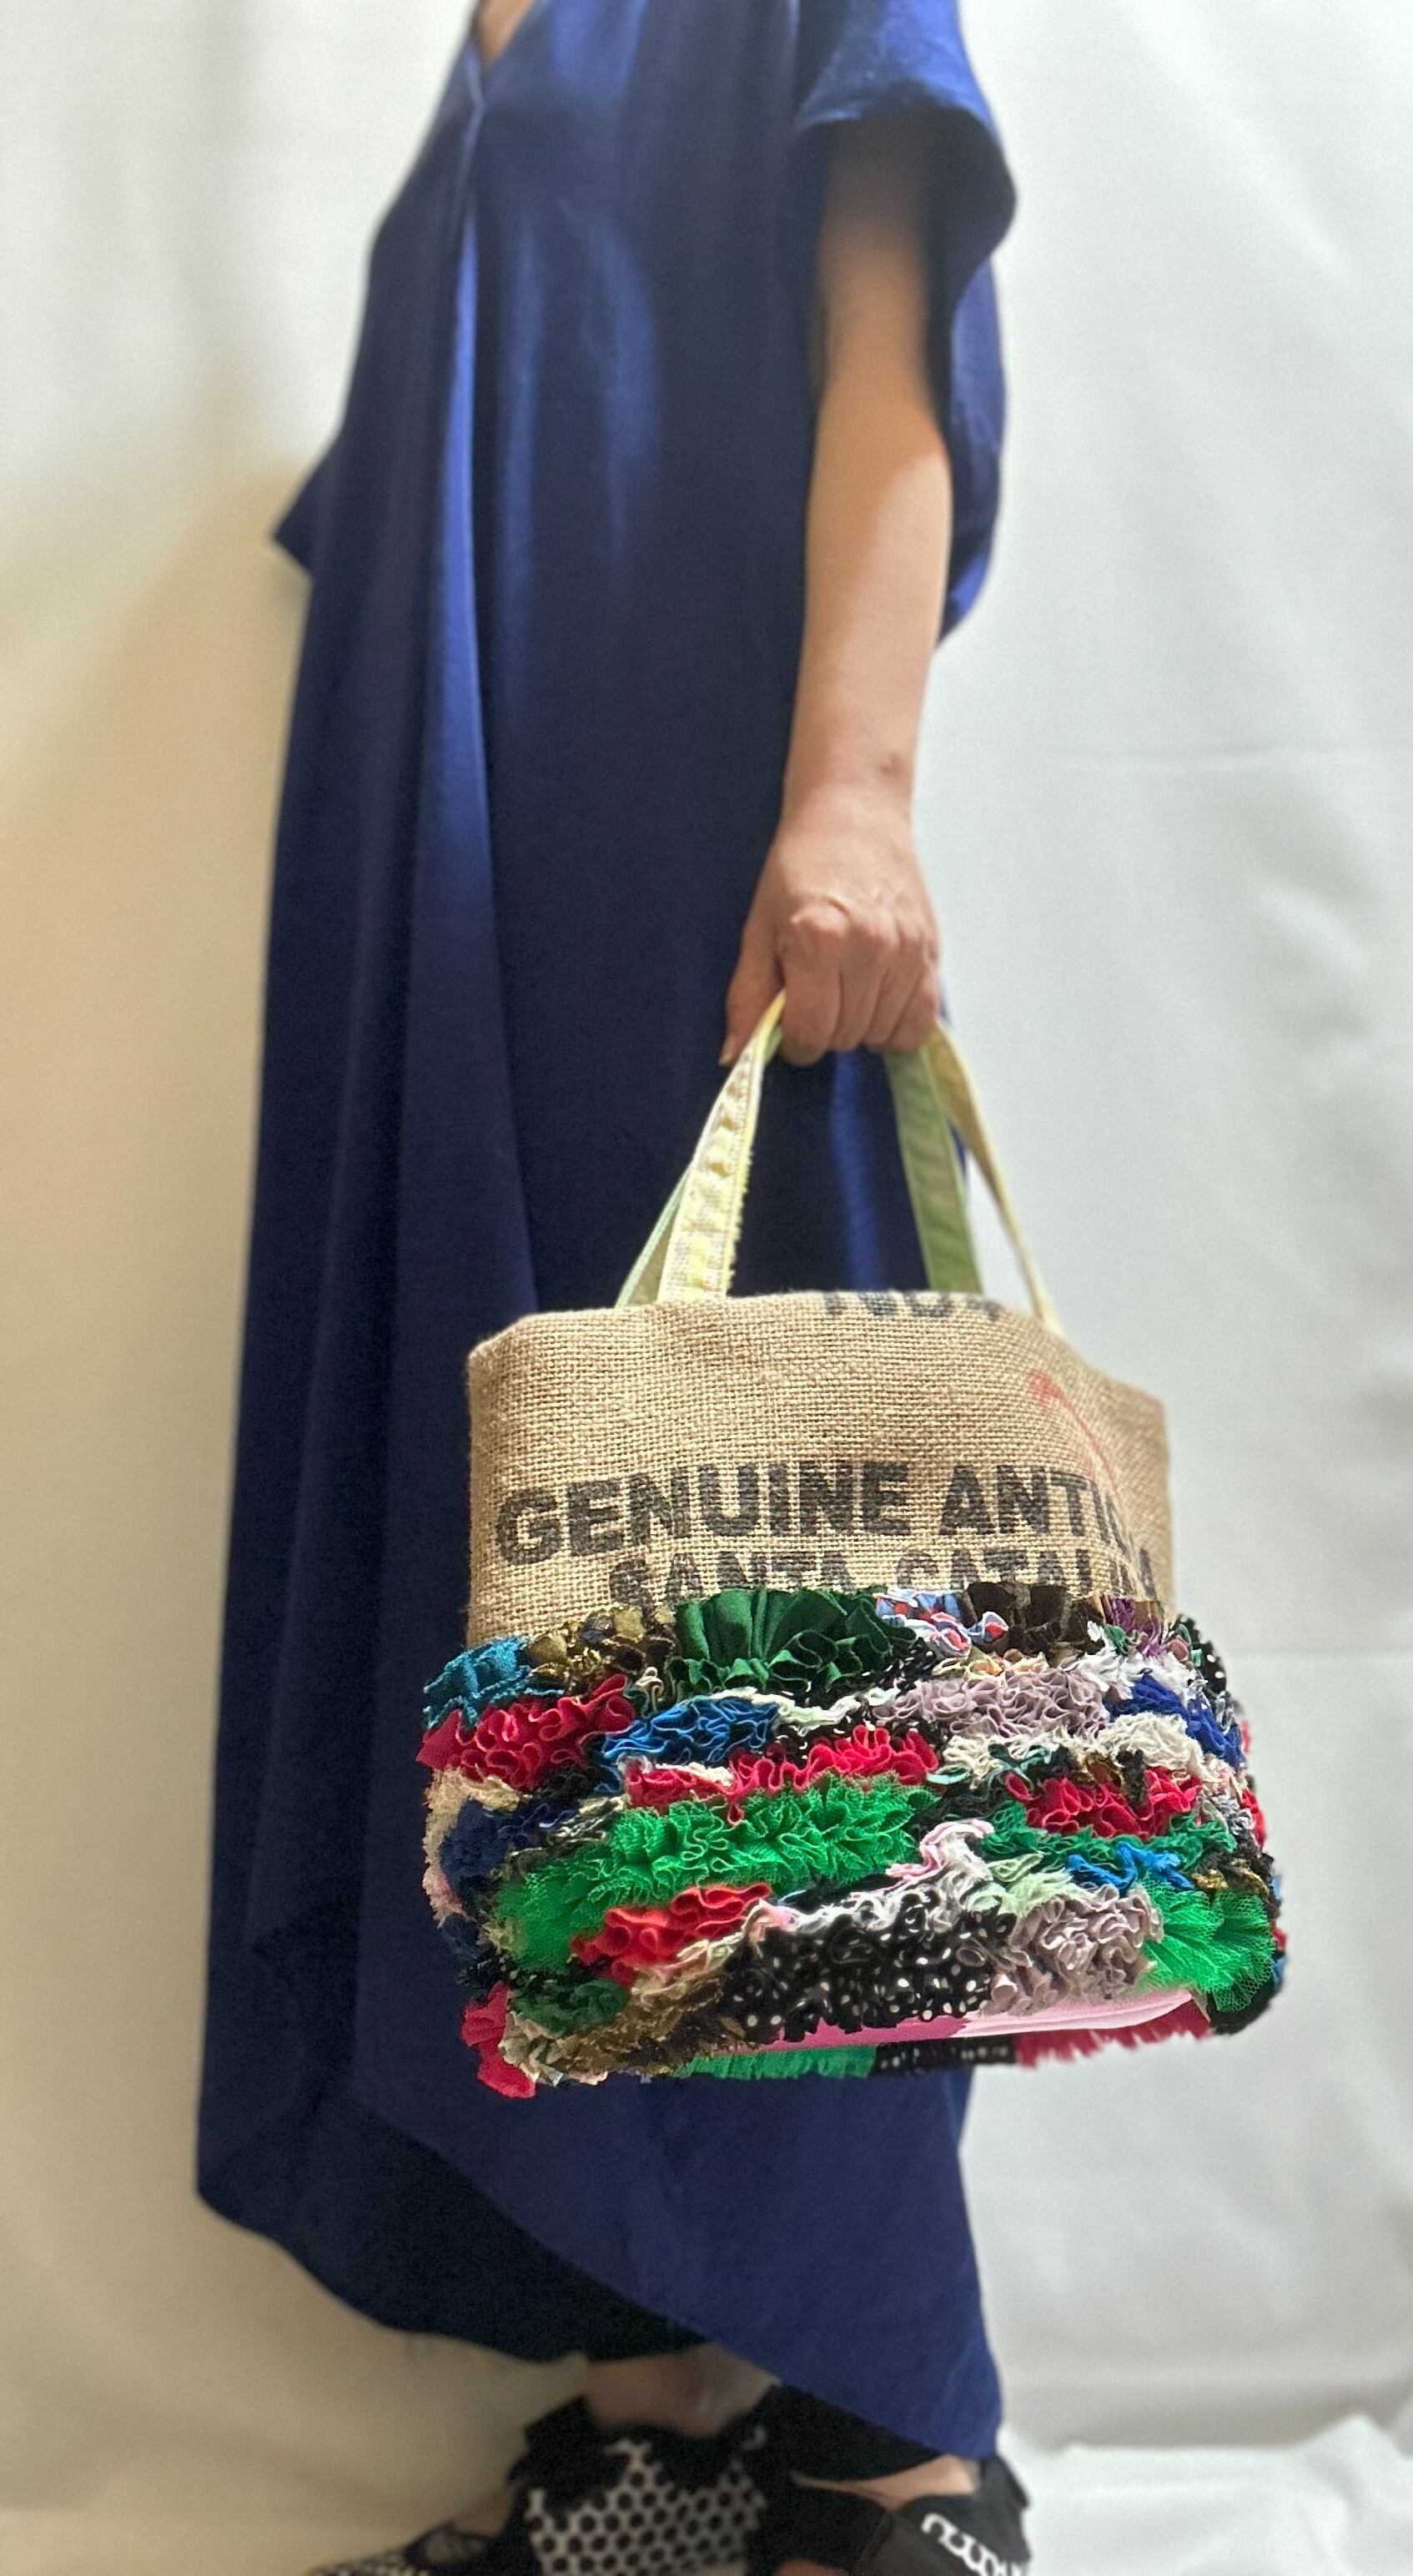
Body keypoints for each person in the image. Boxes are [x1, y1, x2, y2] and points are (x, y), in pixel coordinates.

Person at [199, 5, 1028, 2571]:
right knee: (536, 1647)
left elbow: (888, 367)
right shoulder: (491, 30)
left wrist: (855, 798)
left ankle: (892, 2458)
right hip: (472, 914)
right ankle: (655, 2414)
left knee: (775, 1636)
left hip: (682, 884)